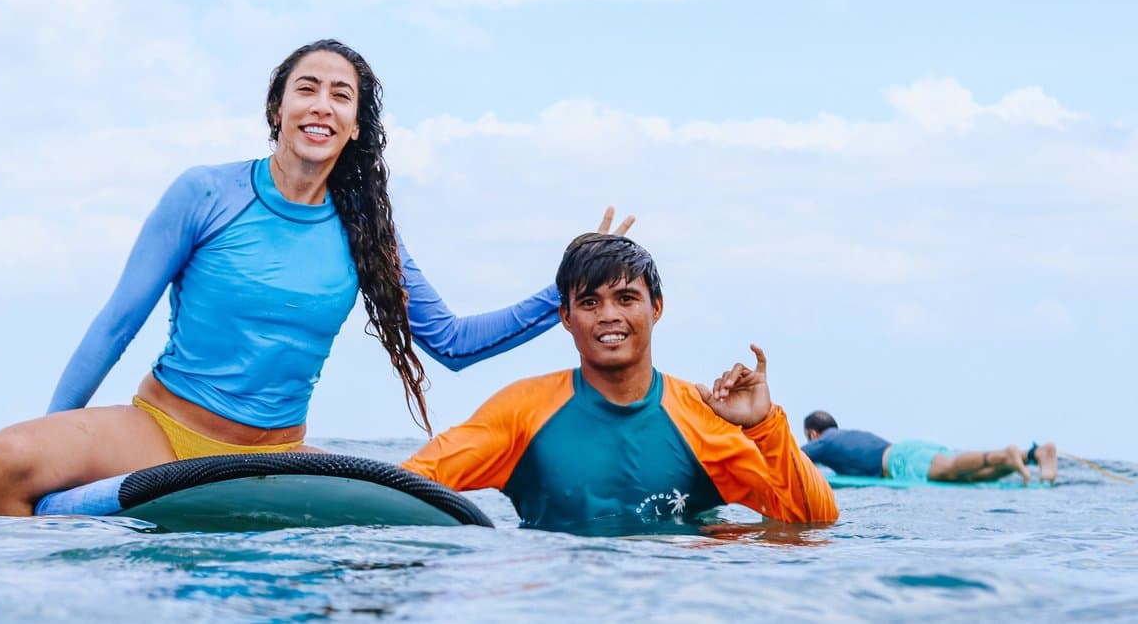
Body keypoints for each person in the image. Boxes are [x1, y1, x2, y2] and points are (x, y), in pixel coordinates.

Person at [0, 39, 629, 516]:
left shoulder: (367, 232)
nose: (321, 106)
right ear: (279, 107)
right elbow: (117, 323)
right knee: (7, 460)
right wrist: (57, 451)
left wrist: (567, 287)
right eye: (307, 88)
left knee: (435, 534)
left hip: (276, 456)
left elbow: (453, 344)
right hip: (158, 435)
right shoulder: (205, 193)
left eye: (340, 95)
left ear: (354, 126)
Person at [401, 233, 837, 535]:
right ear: (566, 319)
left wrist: (763, 425)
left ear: (657, 308)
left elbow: (814, 522)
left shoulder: (705, 417)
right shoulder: (522, 411)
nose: (609, 315)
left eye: (626, 298)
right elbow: (408, 486)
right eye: (590, 302)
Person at [800, 411, 1058, 485]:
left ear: (812, 434)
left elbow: (792, 457)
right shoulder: (848, 434)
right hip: (909, 450)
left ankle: (1005, 453)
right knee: (970, 475)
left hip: (899, 461)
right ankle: (1033, 454)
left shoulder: (824, 440)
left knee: (951, 468)